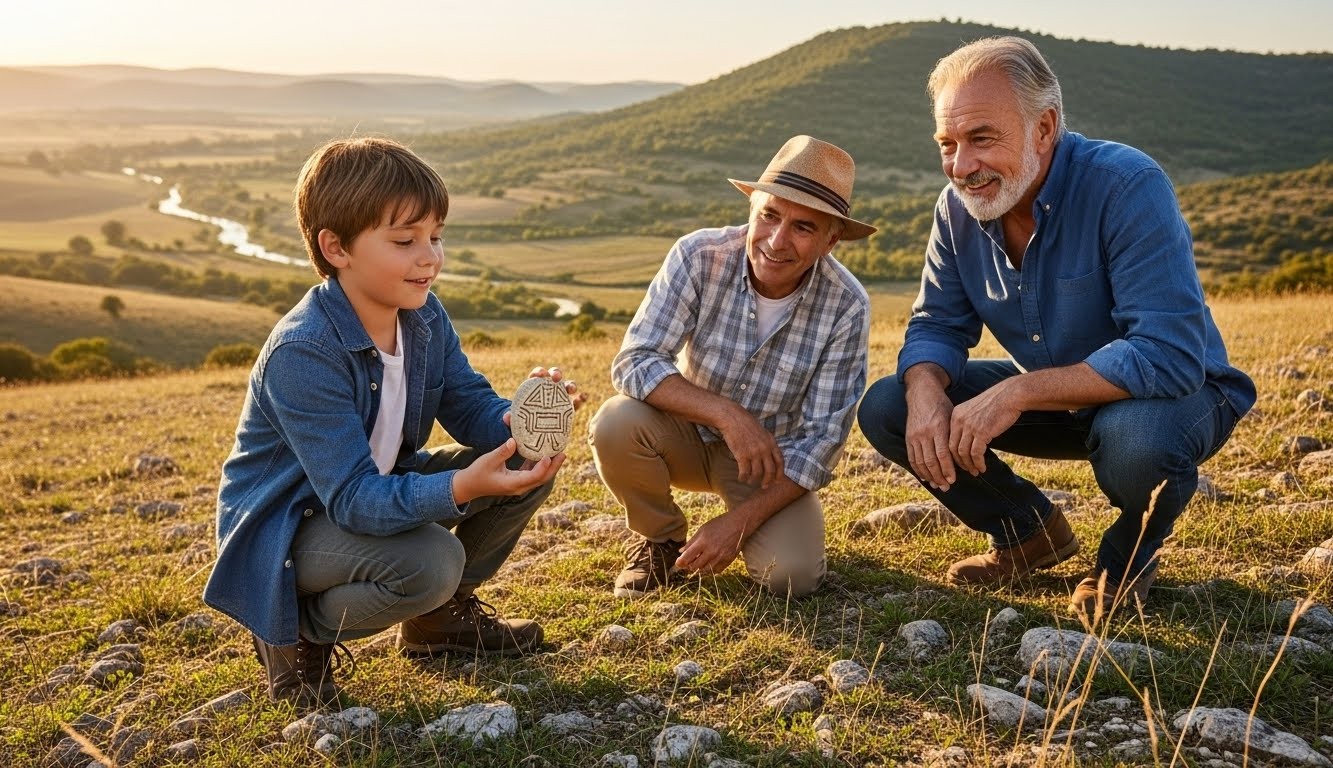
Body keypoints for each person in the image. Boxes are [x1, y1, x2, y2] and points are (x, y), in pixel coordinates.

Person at [856, 37, 1256, 618]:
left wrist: (1016, 392)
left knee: (1137, 443)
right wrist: (924, 393)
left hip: (1177, 395)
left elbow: (1168, 354)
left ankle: (1126, 559)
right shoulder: (957, 208)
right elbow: (937, 321)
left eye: (982, 138)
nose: (962, 166)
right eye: (948, 144)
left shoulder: (1126, 185)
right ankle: (1028, 532)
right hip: (1063, 400)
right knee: (890, 405)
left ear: (1044, 128)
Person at [203, 137, 579, 709]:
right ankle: (297, 633)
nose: (429, 257)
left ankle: (437, 625)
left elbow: (466, 401)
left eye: (435, 237)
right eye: (405, 241)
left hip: (370, 491)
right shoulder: (303, 351)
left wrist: (521, 420)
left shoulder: (423, 314)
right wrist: (463, 486)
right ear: (336, 248)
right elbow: (352, 498)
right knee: (432, 563)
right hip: (291, 526)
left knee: (529, 462)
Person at [590, 135, 874, 600]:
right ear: (752, 209)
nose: (777, 241)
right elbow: (635, 361)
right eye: (769, 215)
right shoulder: (699, 256)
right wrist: (728, 414)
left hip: (766, 465)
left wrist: (737, 524)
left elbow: (822, 441)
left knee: (791, 578)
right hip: (682, 434)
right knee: (616, 422)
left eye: (803, 227)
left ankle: (762, 525)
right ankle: (659, 539)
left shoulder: (847, 306)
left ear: (831, 239)